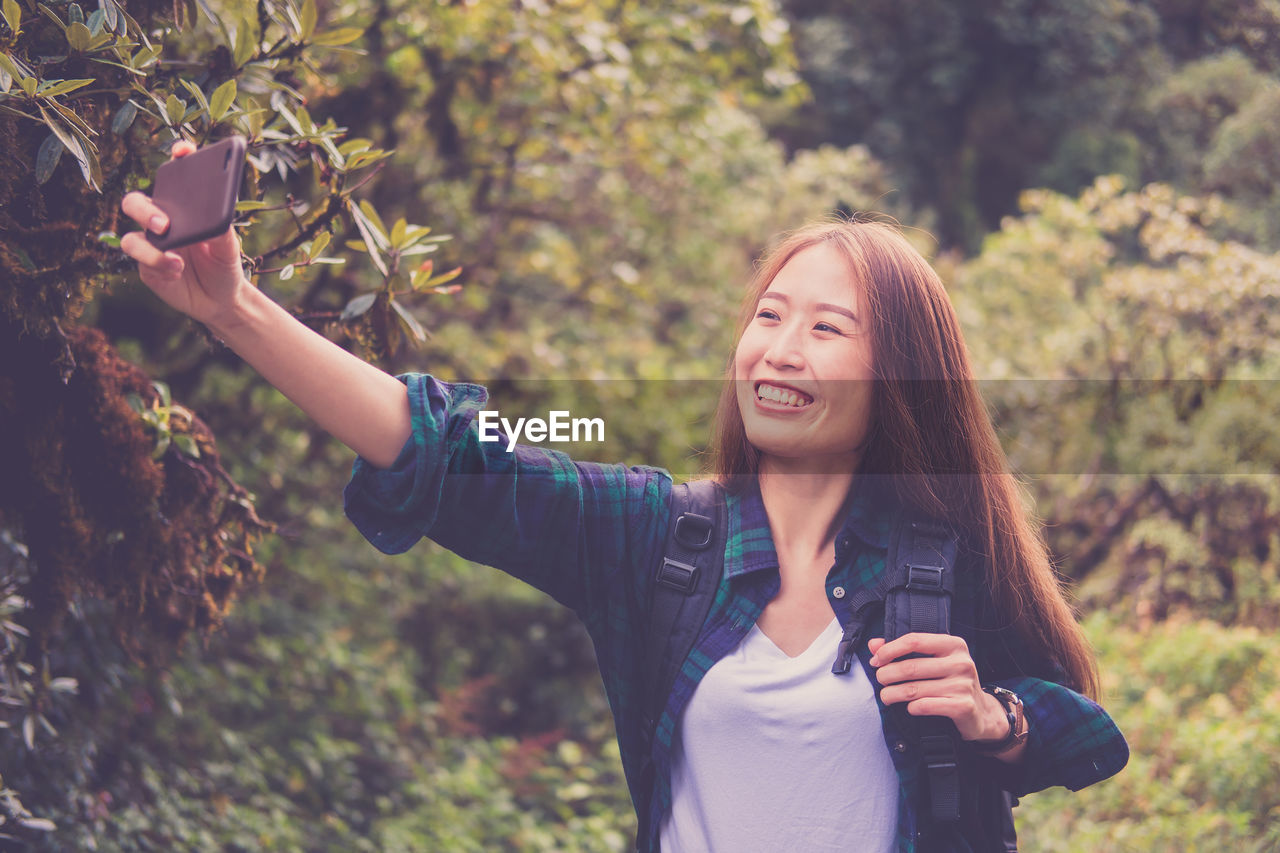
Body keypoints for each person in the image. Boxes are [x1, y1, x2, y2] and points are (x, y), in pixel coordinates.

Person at [120, 141, 1128, 851]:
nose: (778, 348)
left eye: (827, 329)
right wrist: (236, 309)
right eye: (768, 314)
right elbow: (453, 455)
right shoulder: (659, 537)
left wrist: (994, 716)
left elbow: (1089, 733)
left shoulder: (942, 561)